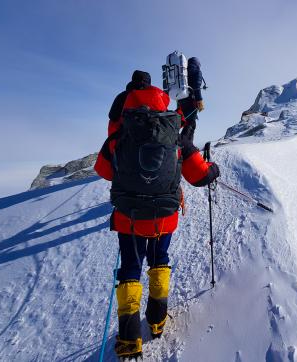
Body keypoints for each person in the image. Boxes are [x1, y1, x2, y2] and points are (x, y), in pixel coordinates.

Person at [94, 70, 220, 360]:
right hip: (164, 216)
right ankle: (157, 320)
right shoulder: (172, 131)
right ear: (159, 98)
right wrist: (214, 169)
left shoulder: (119, 134)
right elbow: (199, 175)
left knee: (130, 268)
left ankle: (128, 340)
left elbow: (103, 170)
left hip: (129, 217)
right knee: (159, 261)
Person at [177, 57, 205, 143]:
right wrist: (199, 100)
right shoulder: (197, 71)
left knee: (181, 121)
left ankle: (171, 139)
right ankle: (185, 147)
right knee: (191, 124)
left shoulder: (183, 72)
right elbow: (196, 86)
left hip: (180, 100)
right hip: (191, 101)